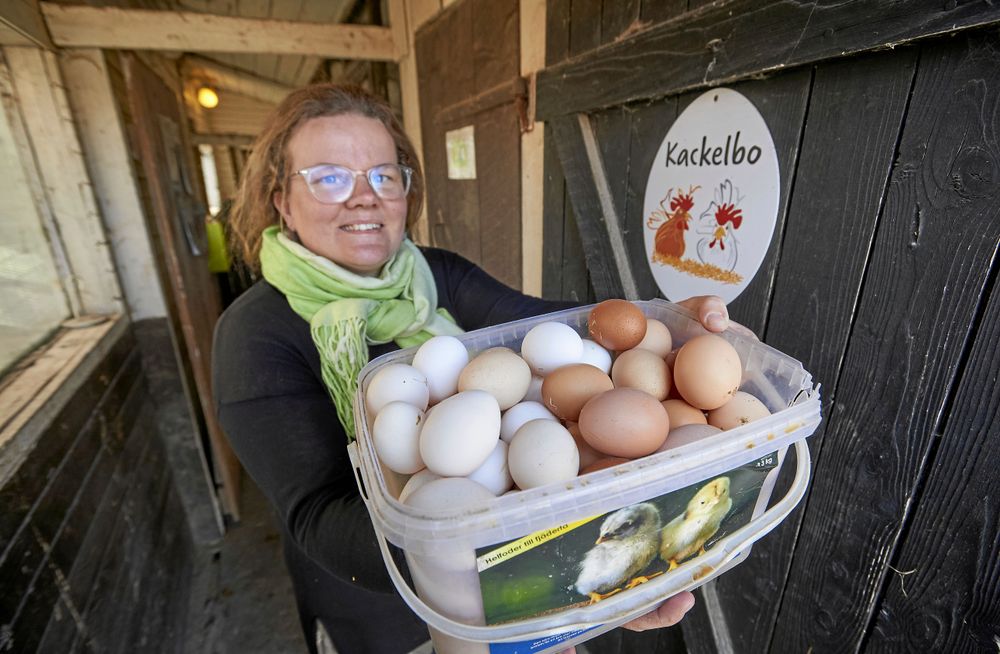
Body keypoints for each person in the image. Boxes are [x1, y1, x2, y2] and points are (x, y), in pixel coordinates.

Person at [212, 83, 737, 654]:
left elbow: (549, 329)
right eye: (329, 177)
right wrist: (497, 560)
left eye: (384, 176)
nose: (365, 197)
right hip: (385, 607)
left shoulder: (436, 274)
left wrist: (660, 325)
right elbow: (318, 513)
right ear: (282, 200)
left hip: (514, 574)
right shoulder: (254, 334)